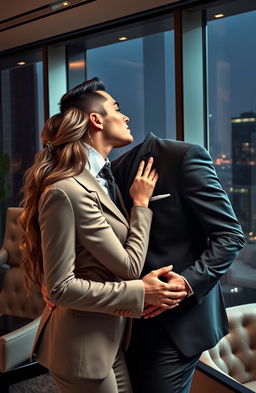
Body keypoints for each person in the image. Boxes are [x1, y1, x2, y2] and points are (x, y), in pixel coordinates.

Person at [19, 78, 188, 393]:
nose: (126, 117)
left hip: (108, 341)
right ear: (95, 120)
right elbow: (122, 268)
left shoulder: (100, 179)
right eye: (117, 109)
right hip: (80, 348)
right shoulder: (66, 189)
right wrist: (140, 206)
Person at [112, 132, 245, 393]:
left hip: (176, 324)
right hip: (125, 321)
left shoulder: (181, 156)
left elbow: (230, 235)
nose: (124, 117)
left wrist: (185, 284)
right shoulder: (111, 169)